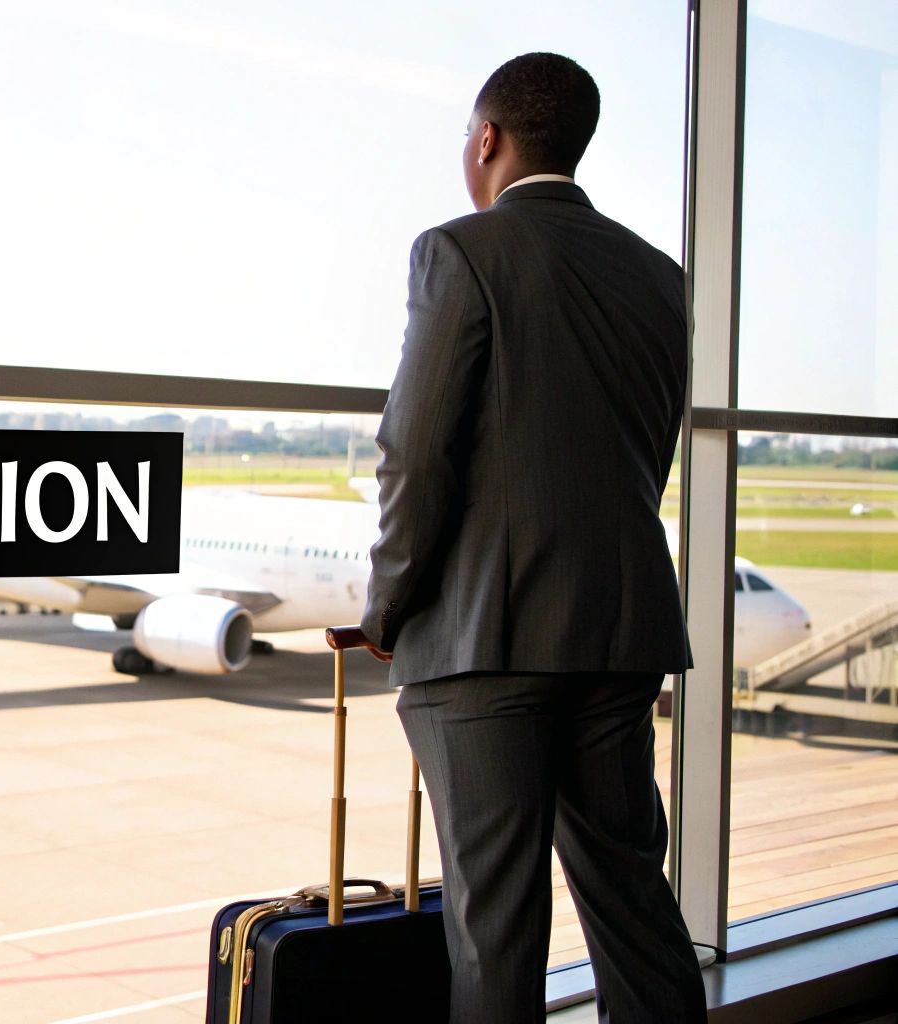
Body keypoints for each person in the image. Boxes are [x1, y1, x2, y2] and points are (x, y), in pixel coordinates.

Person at [361, 52, 706, 1024]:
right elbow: (639, 448)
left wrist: (387, 605)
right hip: (618, 629)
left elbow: (413, 454)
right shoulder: (657, 277)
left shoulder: (459, 251)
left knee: (495, 932)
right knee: (631, 903)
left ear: (485, 141)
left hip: (483, 643)